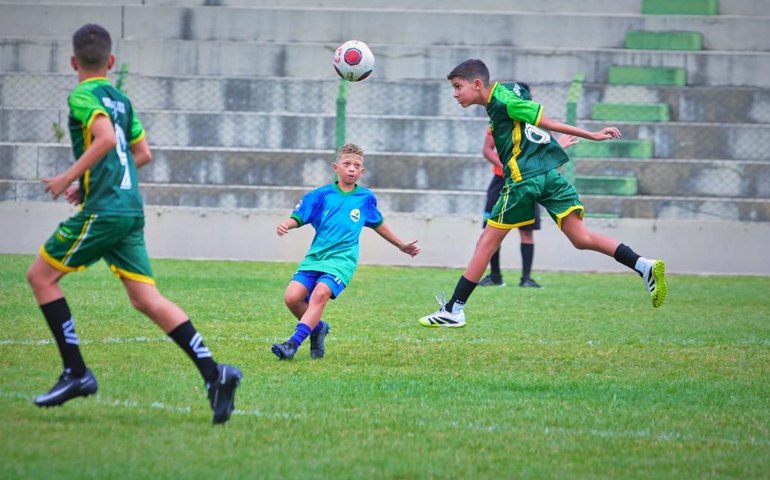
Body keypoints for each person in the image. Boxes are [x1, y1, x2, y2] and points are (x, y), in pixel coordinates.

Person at [26, 24, 241, 424]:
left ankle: (76, 372)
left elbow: (105, 140)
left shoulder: (82, 94)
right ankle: (215, 374)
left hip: (106, 210)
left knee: (41, 277)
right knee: (146, 299)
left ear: (73, 62)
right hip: (127, 208)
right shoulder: (121, 98)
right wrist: (90, 183)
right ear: (111, 62)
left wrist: (67, 179)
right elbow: (141, 153)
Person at [419, 59, 667, 328]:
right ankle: (644, 265)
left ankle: (454, 309)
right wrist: (551, 146)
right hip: (548, 174)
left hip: (523, 180)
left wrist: (592, 135)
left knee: (486, 243)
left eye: (458, 87)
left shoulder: (504, 102)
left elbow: (545, 120)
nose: (455, 94)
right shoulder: (508, 91)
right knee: (581, 237)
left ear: (477, 84)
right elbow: (528, 126)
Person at [272, 143, 421, 360]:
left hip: (342, 260)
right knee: (292, 298)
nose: (351, 168)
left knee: (320, 294)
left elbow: (378, 223)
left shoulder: (365, 198)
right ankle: (318, 328)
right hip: (316, 257)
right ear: (336, 167)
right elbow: (299, 216)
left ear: (362, 172)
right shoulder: (321, 195)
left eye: (356, 165)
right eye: (347, 164)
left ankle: (292, 345)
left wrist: (401, 245)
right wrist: (287, 224)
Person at [479, 81, 580, 288]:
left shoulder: (535, 123)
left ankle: (526, 278)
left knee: (526, 230)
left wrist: (557, 148)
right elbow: (488, 149)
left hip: (527, 182)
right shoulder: (498, 120)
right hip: (502, 180)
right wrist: (508, 167)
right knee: (491, 230)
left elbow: (546, 151)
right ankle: (495, 276)